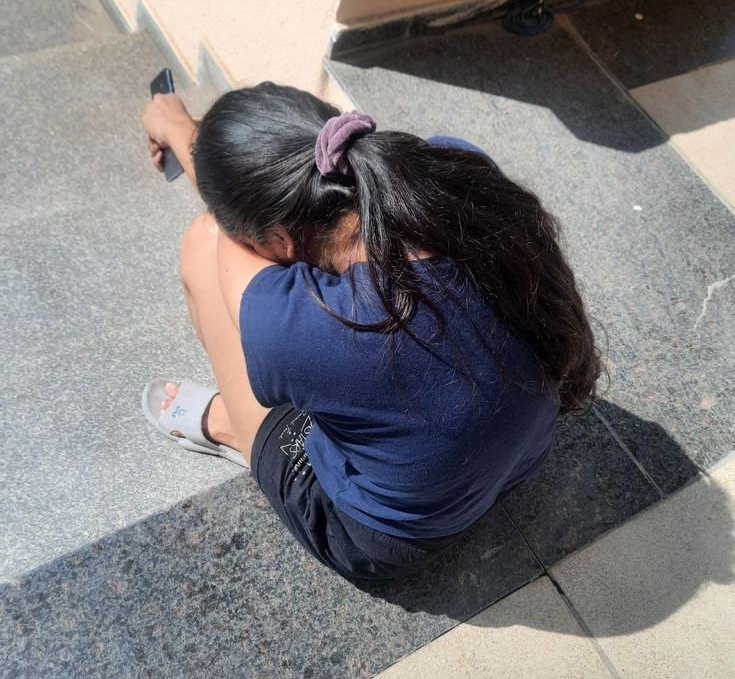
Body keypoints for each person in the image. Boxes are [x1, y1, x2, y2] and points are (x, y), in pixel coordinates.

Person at [141, 82, 600, 582]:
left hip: (394, 536)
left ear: (276, 238)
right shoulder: (456, 167)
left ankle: (234, 424)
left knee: (203, 242)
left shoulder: (302, 326)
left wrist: (188, 141)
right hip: (523, 457)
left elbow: (224, 236)